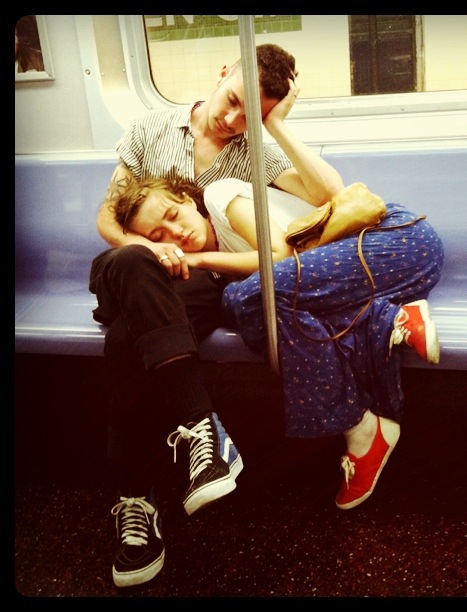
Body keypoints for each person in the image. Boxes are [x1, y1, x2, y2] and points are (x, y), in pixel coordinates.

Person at [88, 43, 344, 588]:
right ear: (223, 71)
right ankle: (200, 424)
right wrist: (150, 247)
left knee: (128, 340)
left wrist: (275, 126)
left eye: (251, 115)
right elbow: (108, 217)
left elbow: (330, 195)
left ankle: (135, 502)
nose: (232, 120)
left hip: (191, 282)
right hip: (131, 266)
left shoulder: (252, 150)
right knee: (132, 264)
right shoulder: (151, 127)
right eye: (232, 100)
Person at [112, 176, 444, 516]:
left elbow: (278, 255)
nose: (175, 233)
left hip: (395, 241)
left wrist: (198, 259)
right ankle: (391, 328)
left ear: (187, 200)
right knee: (273, 311)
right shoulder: (223, 265)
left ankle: (370, 391)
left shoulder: (218, 196)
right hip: (377, 280)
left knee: (244, 298)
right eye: (159, 237)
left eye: (172, 215)